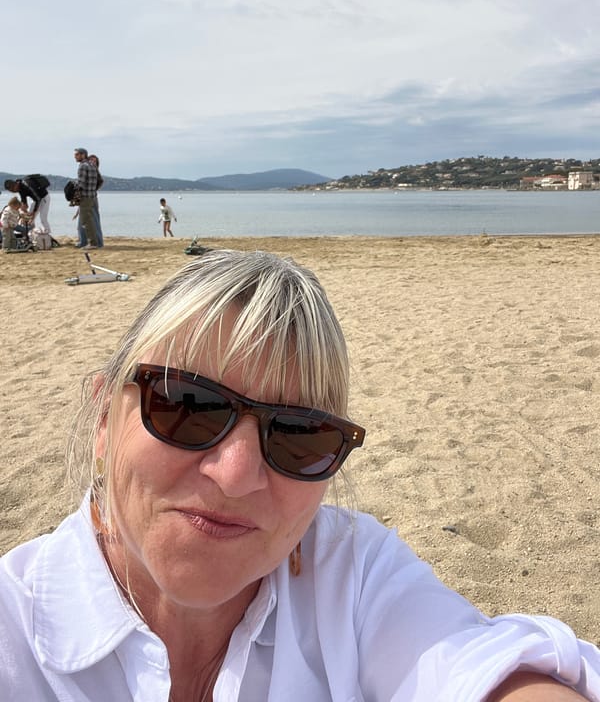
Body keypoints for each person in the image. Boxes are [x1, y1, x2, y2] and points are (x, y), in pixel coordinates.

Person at [0, 249, 599, 701]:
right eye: (187, 405)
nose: (236, 475)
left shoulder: (349, 572)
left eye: (298, 435)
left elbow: (478, 666)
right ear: (106, 418)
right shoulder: (14, 631)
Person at [75, 153, 104, 248]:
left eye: (95, 161)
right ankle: (84, 241)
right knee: (86, 219)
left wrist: (92, 190)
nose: (93, 161)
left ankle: (94, 242)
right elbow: (99, 181)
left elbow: (82, 183)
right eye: (91, 160)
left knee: (90, 220)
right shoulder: (92, 168)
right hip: (91, 196)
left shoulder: (88, 168)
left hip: (90, 196)